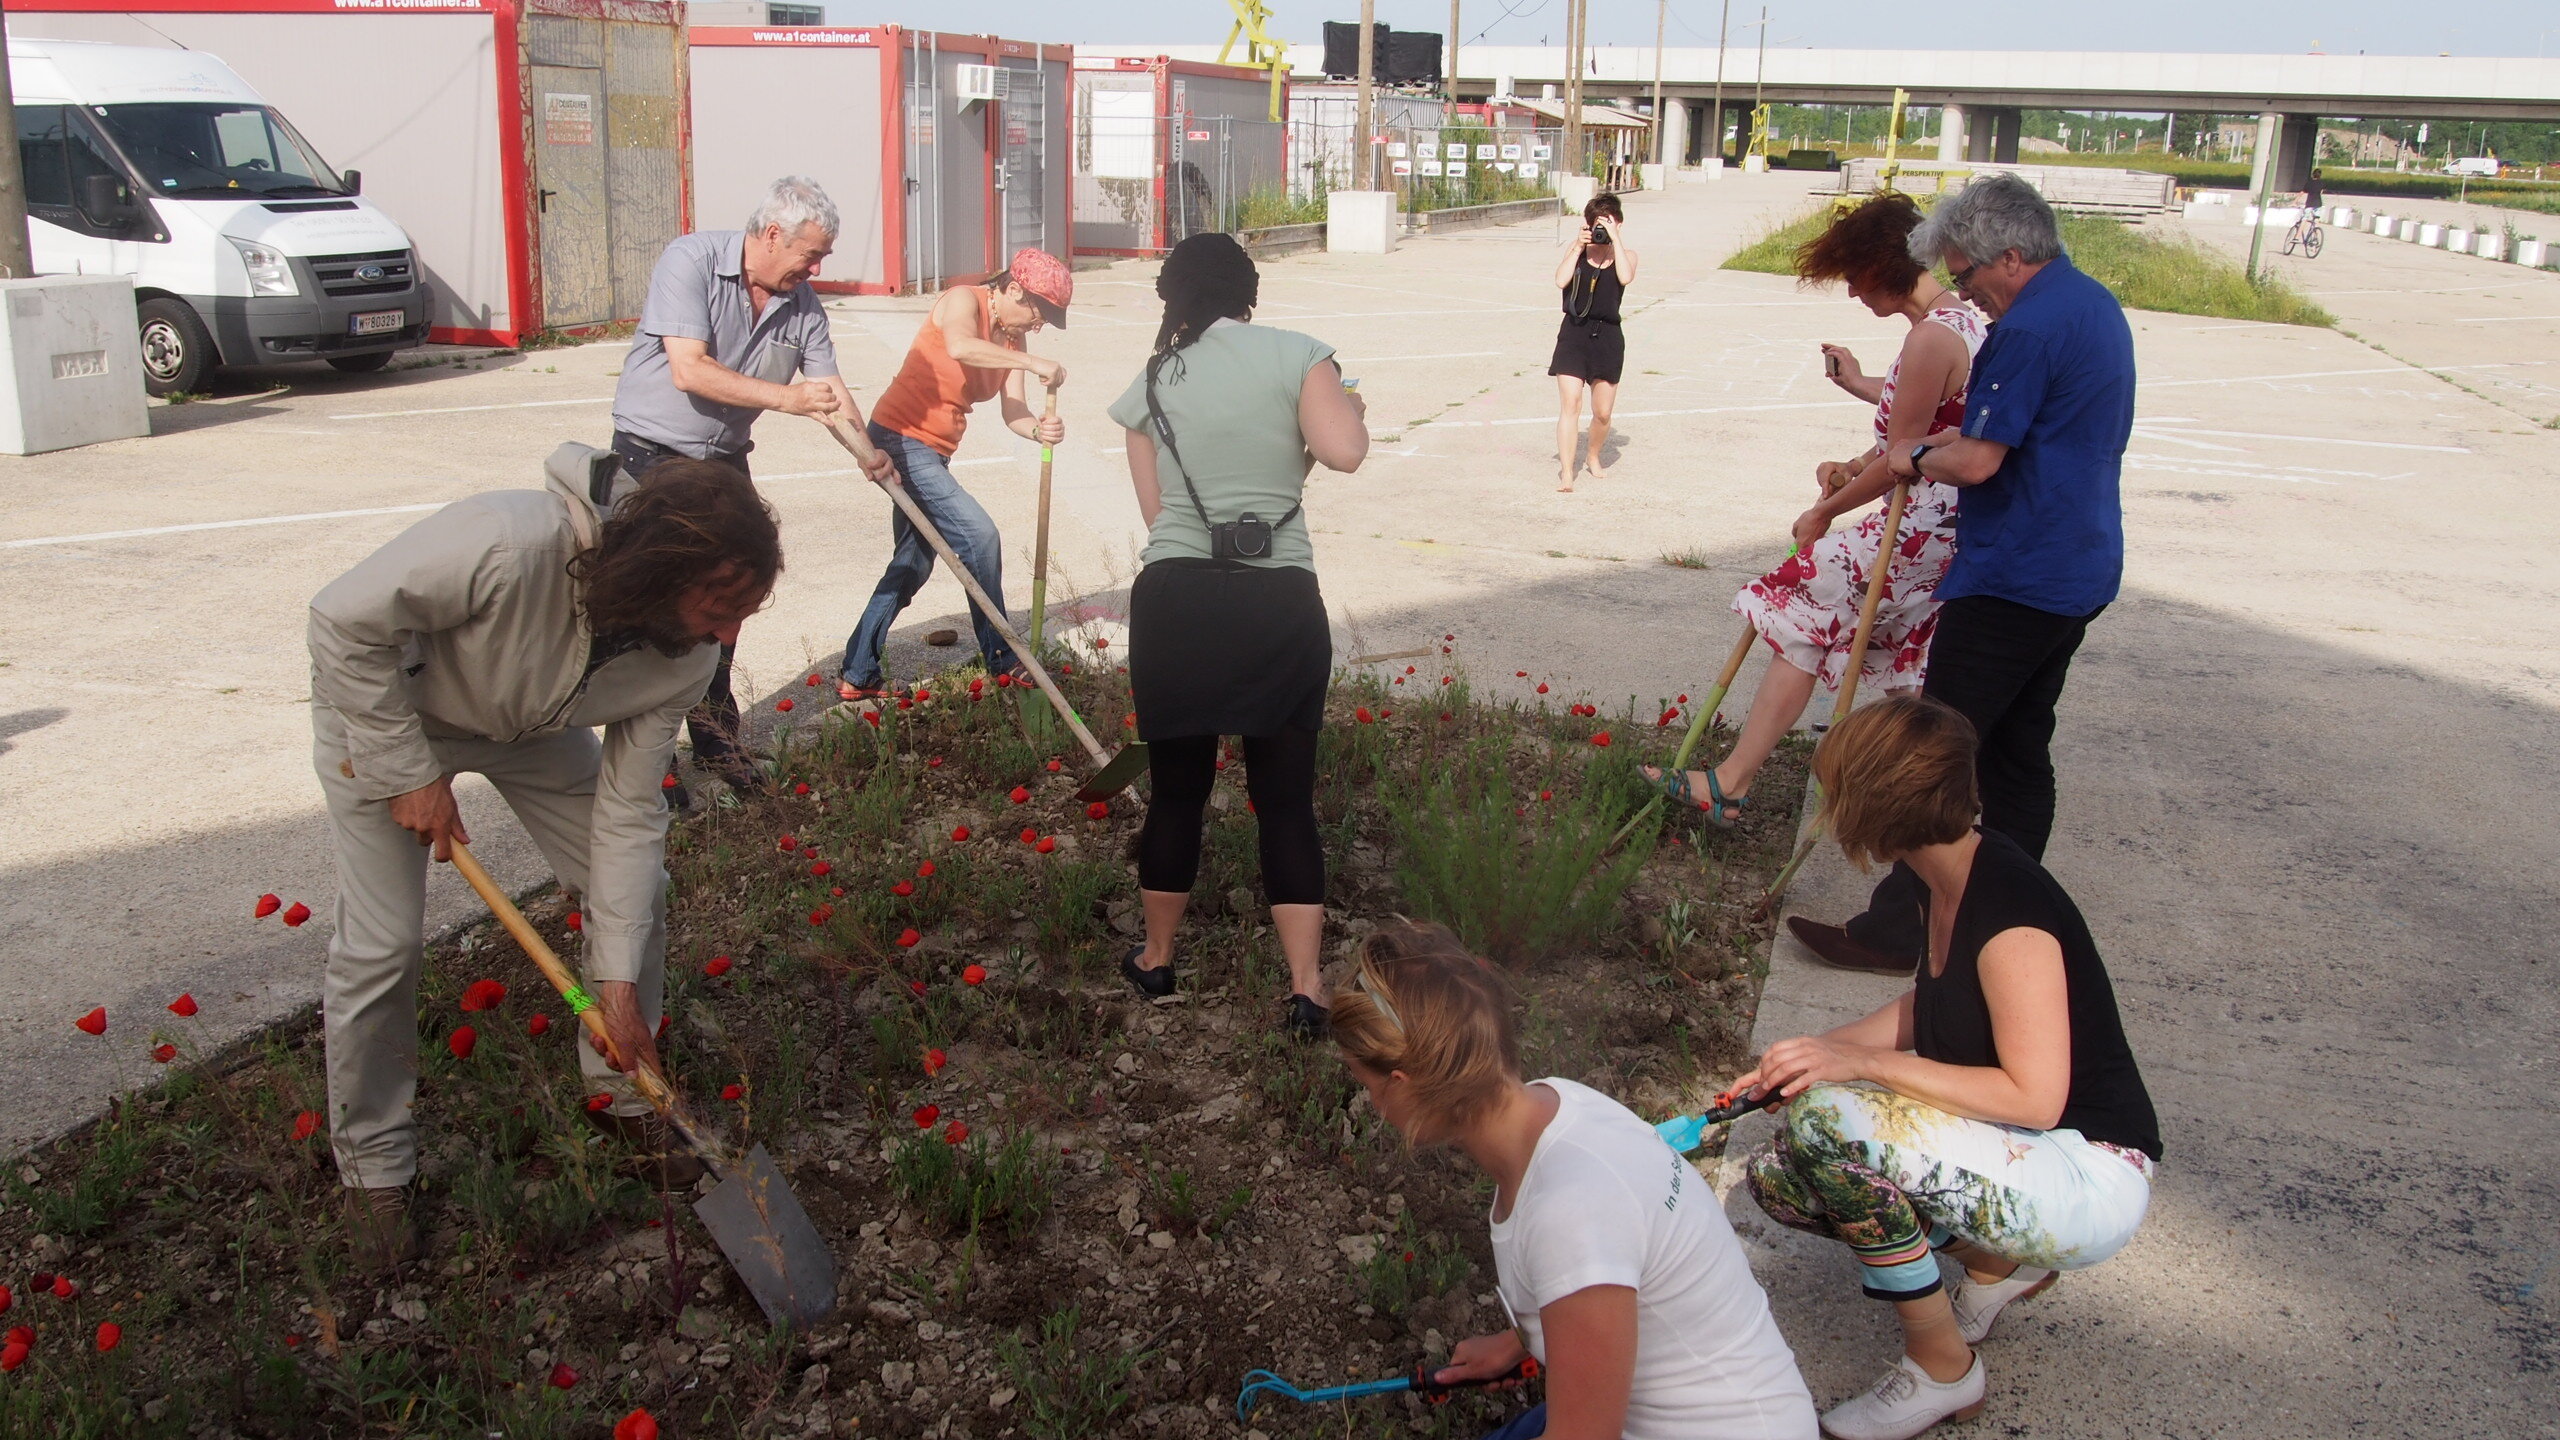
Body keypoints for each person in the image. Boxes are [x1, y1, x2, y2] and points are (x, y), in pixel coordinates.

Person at [308, 458, 784, 1271]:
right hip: (391, 713)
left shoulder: (687, 658)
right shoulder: (509, 543)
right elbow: (341, 621)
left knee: (636, 892)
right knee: (383, 945)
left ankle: (619, 1086)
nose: (728, 635)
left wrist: (618, 987)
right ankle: (375, 1171)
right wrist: (406, 768)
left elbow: (629, 816)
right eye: (719, 607)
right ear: (661, 570)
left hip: (532, 727)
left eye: (744, 612)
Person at [1731, 695, 2160, 1440]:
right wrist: (1806, 1056)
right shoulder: (1952, 873)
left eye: (1838, 791)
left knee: (1831, 1124)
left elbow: (2032, 1096)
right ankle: (1998, 1266)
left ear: (1878, 809)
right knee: (1780, 1179)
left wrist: (1857, 1066)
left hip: (2090, 1173)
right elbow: (1928, 1003)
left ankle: (1944, 1371)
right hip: (2033, 1151)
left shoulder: (2010, 912)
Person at [1787, 173, 2134, 976]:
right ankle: (2011, 914)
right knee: (2015, 754)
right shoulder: (2091, 303)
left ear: (2009, 257)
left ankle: (1898, 930)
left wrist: (1907, 455)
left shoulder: (2031, 329)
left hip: (2019, 571)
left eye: (1970, 275)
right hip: (2076, 563)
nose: (1968, 295)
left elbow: (1976, 460)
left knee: (1929, 753)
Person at [1332, 922, 1819, 1440]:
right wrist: (1520, 1340)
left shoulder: (1569, 1214)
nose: (1372, 1104)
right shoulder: (1558, 1102)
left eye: (1367, 1085)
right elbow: (1611, 1275)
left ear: (1404, 1086)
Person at [1642, 194, 1982, 836]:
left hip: (1921, 525)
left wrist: (1824, 511)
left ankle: (1733, 782)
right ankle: (1932, 806)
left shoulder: (1933, 337)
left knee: (1805, 603)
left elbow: (1905, 455)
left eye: (1854, 276)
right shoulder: (1957, 323)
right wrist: (1857, 463)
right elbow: (1926, 427)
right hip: (1942, 525)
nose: (1853, 293)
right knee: (1896, 657)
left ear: (1885, 265)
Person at [1106, 233, 1368, 1037]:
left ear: (1172, 297)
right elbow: (1344, 452)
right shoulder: (1300, 354)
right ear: (1249, 291)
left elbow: (1160, 518)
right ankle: (1302, 985)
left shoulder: (1151, 381)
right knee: (1284, 801)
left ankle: (1155, 960)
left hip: (1176, 604)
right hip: (1277, 601)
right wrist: (1346, 406)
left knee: (1178, 793)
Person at [608, 175, 892, 791]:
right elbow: (690, 369)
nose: (815, 268)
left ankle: (716, 740)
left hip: (721, 463)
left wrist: (868, 452)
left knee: (725, 602)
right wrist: (787, 399)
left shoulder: (803, 304)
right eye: (810, 254)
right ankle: (650, 761)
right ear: (771, 234)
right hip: (651, 460)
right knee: (654, 603)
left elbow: (829, 386)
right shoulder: (691, 261)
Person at [839, 249, 1073, 700]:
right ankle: (1004, 660)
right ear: (1012, 290)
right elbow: (960, 345)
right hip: (900, 440)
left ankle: (859, 671)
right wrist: (1032, 363)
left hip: (934, 453)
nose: (1038, 326)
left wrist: (1040, 430)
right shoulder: (962, 299)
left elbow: (1015, 412)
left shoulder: (1011, 342)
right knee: (978, 536)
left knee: (912, 565)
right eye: (1038, 313)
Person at [1550, 192, 1637, 493]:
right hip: (1574, 333)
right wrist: (1577, 246)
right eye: (1594, 225)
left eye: (1606, 224)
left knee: (1602, 413)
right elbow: (1560, 281)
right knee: (1570, 405)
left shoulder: (1627, 255)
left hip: (1608, 336)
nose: (1598, 231)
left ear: (1618, 223)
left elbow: (1625, 277)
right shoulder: (1577, 252)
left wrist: (1615, 238)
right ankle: (1566, 472)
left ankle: (1593, 455)